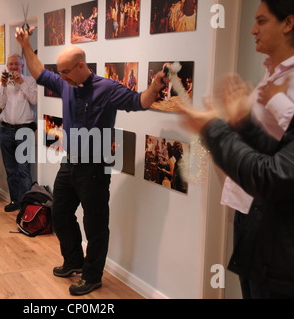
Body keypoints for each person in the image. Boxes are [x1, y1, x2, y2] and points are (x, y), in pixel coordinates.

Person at [15, 26, 168, 295]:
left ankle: (92, 275)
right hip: (69, 162)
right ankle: (73, 259)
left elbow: (139, 101)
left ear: (81, 66)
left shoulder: (107, 89)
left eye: (64, 71)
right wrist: (26, 44)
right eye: (59, 72)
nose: (60, 77)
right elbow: (39, 71)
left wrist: (155, 87)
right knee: (60, 213)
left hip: (95, 168)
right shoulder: (65, 82)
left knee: (95, 224)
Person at [178, 72, 294, 298]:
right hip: (255, 214)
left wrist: (213, 129)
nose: (253, 33)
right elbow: (281, 158)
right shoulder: (269, 73)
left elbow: (272, 175)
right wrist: (245, 124)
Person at [220, 0, 294, 299]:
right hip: (247, 203)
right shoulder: (269, 73)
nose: (253, 30)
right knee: (250, 291)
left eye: (262, 21)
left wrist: (278, 101)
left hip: (275, 213)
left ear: (288, 24)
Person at [0, 54, 37, 212]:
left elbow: (34, 99)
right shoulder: (3, 84)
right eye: (10, 64)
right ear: (7, 66)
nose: (13, 67)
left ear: (22, 66)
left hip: (24, 130)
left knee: (24, 169)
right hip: (6, 130)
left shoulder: (30, 81)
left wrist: (21, 83)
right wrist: (4, 86)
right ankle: (15, 201)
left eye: (16, 65)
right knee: (11, 170)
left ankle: (26, 205)